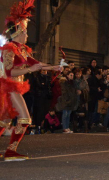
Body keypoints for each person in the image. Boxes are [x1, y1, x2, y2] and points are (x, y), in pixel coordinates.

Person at [0, 0, 60, 161]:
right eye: (25, 32)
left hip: (15, 87)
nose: (27, 35)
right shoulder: (9, 49)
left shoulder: (22, 50)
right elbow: (8, 71)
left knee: (4, 121)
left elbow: (37, 64)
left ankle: (10, 151)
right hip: (8, 87)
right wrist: (28, 70)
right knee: (25, 118)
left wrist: (55, 67)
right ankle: (11, 152)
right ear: (19, 33)